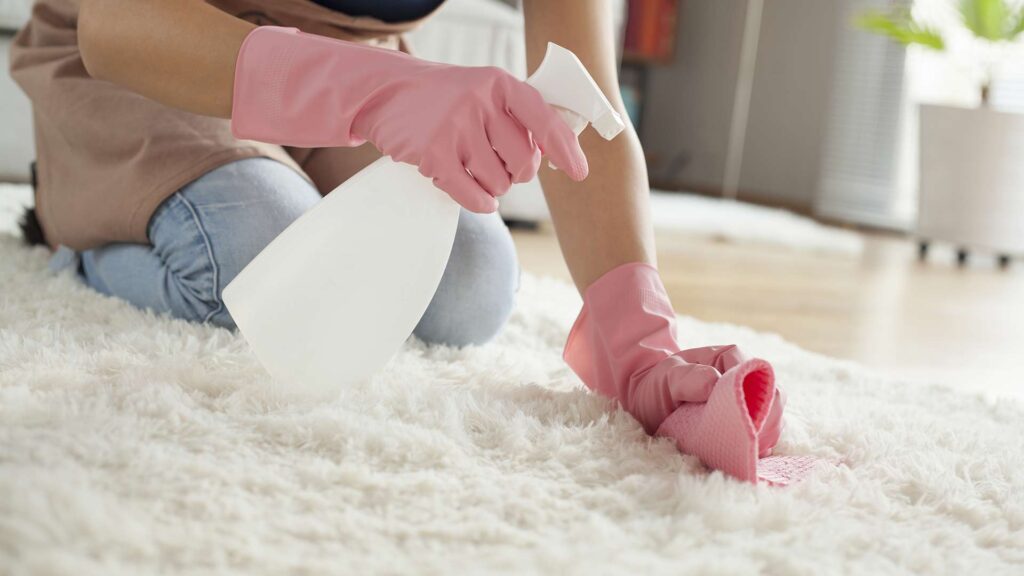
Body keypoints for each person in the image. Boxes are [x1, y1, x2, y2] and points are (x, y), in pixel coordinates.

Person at [10, 0, 784, 482]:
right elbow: (117, 23)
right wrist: (381, 95)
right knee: (259, 255)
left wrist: (640, 341)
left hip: (346, 71)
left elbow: (589, 97)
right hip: (168, 58)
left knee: (474, 287)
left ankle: (265, 179)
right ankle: (76, 230)